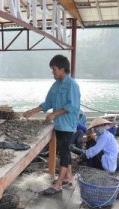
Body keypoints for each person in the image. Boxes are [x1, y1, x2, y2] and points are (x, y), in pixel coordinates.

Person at [23, 55, 81, 194]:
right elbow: (48, 103)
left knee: (65, 152)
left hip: (67, 125)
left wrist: (54, 114)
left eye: (54, 69)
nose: (52, 72)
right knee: (63, 150)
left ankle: (58, 184)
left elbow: (72, 106)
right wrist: (32, 111)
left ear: (62, 69)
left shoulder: (72, 85)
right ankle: (68, 177)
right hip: (59, 125)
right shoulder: (55, 85)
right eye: (52, 69)